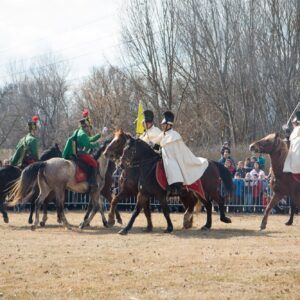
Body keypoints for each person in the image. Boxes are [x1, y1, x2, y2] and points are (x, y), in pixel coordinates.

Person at [151, 111, 208, 196]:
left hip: (173, 159)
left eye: (164, 125)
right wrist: (152, 146)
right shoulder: (162, 135)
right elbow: (156, 145)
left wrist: (161, 150)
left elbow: (172, 151)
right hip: (164, 157)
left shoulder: (174, 135)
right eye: (162, 125)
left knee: (171, 165)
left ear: (169, 125)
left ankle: (177, 187)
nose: (162, 126)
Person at [62, 117, 101, 191]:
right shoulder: (82, 134)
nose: (89, 129)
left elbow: (90, 139)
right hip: (81, 154)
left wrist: (100, 134)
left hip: (77, 152)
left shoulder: (79, 131)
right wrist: (98, 144)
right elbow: (89, 145)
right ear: (85, 126)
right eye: (88, 127)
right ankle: (92, 182)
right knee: (94, 163)